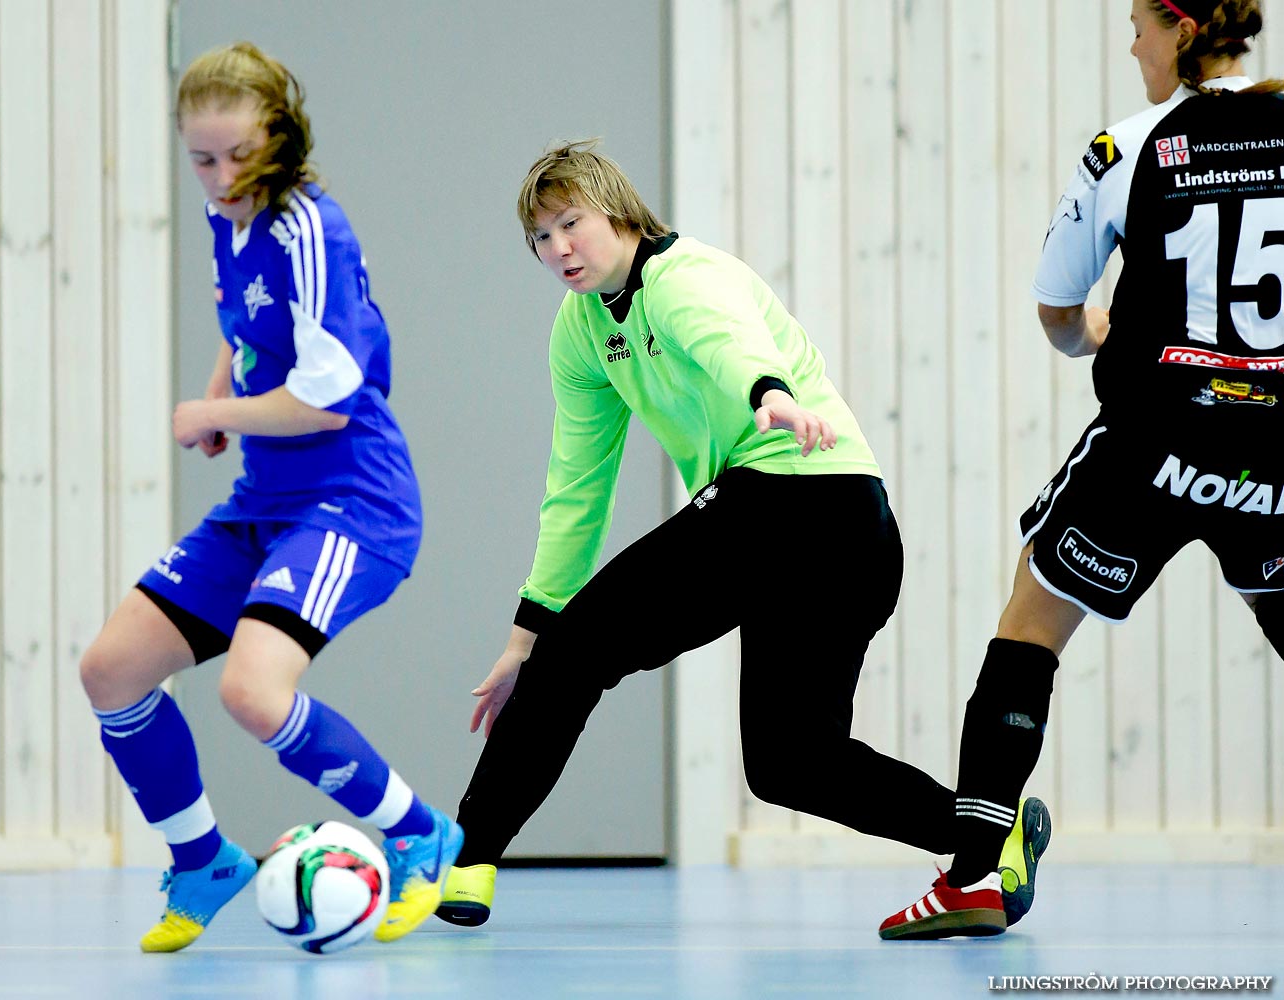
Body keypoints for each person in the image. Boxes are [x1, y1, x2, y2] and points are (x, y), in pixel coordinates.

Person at [433, 140, 1049, 928]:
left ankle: (470, 855)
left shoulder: (686, 276)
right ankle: (988, 839)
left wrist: (771, 392)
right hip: (825, 528)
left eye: (569, 224)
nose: (557, 250)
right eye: (539, 239)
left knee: (577, 652)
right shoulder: (581, 331)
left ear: (616, 209)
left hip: (804, 501)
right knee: (792, 763)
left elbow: (725, 339)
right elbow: (578, 486)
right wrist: (527, 629)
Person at [880, 0, 1281, 940]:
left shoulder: (1127, 147)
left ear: (1181, 33)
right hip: (1272, 448)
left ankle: (976, 874)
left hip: (1156, 441)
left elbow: (1059, 309)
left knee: (1032, 619)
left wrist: (1097, 334)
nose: (1129, 41)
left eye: (1139, 23)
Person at [78, 42, 460, 953]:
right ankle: (204, 859)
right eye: (200, 159)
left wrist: (209, 409)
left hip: (351, 503)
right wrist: (226, 401)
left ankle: (419, 834)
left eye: (235, 156)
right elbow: (244, 328)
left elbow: (327, 406)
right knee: (112, 671)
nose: (217, 176)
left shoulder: (310, 229)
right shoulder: (233, 220)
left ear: (276, 140)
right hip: (265, 498)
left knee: (253, 692)